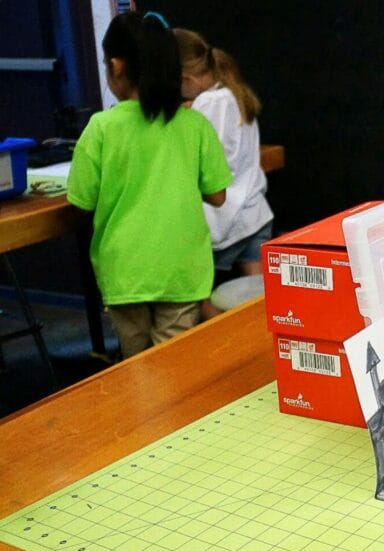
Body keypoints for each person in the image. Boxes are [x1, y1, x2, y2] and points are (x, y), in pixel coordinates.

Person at [67, 12, 232, 358]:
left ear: (116, 66)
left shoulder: (100, 128)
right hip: (182, 270)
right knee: (172, 365)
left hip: (125, 274)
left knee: (138, 367)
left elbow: (80, 202)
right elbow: (218, 196)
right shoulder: (195, 125)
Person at [175, 28, 273, 319]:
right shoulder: (235, 93)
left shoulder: (205, 105)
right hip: (254, 215)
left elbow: (196, 159)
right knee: (260, 305)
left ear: (185, 79)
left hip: (222, 223)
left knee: (199, 303)